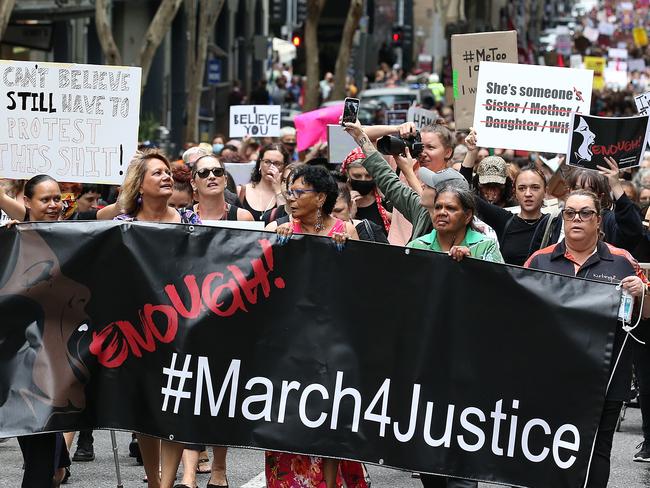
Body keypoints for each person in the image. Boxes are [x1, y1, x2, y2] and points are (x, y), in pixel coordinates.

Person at [525, 189, 650, 488]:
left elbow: (646, 314)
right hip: (550, 377)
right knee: (546, 448)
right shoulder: (539, 261)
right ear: (562, 219)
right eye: (569, 213)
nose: (576, 219)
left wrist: (641, 292)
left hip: (605, 379)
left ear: (599, 220)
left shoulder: (623, 261)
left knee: (596, 451)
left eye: (585, 213)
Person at [266, 164, 359, 488]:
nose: (290, 198)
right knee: (286, 419)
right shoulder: (280, 229)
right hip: (289, 348)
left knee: (331, 417)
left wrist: (349, 250)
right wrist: (278, 247)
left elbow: (359, 287)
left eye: (299, 192)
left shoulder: (346, 231)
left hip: (332, 344)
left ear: (320, 198)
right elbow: (264, 283)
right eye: (289, 191)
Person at [114, 150, 200, 488]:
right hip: (140, 330)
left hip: (182, 327)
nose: (166, 177)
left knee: (175, 406)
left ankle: (166, 485)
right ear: (139, 186)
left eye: (168, 172)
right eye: (157, 173)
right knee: (145, 411)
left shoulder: (189, 221)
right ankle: (154, 479)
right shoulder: (123, 227)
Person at [462, 129, 552, 265]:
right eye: (522, 188)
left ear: (545, 191)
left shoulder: (555, 224)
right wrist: (471, 152)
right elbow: (463, 191)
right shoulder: (504, 220)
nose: (528, 193)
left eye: (535, 187)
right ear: (514, 191)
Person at [408, 185, 503, 263]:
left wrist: (472, 262)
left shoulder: (486, 246)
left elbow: (498, 284)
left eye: (450, 208)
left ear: (467, 216)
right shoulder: (416, 247)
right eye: (438, 207)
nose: (442, 212)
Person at [341, 147, 391, 236]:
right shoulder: (339, 202)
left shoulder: (387, 200)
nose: (363, 180)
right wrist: (349, 214)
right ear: (347, 174)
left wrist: (392, 218)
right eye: (357, 176)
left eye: (368, 176)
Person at [191, 153, 253, 222]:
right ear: (193, 183)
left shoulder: (243, 218)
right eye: (204, 172)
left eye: (217, 171)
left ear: (226, 180)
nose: (212, 176)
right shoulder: (182, 217)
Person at [239, 143, 289, 221]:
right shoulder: (241, 191)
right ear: (260, 164)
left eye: (277, 164)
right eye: (267, 162)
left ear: (284, 167)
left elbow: (284, 220)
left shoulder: (289, 194)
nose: (271, 167)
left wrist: (278, 190)